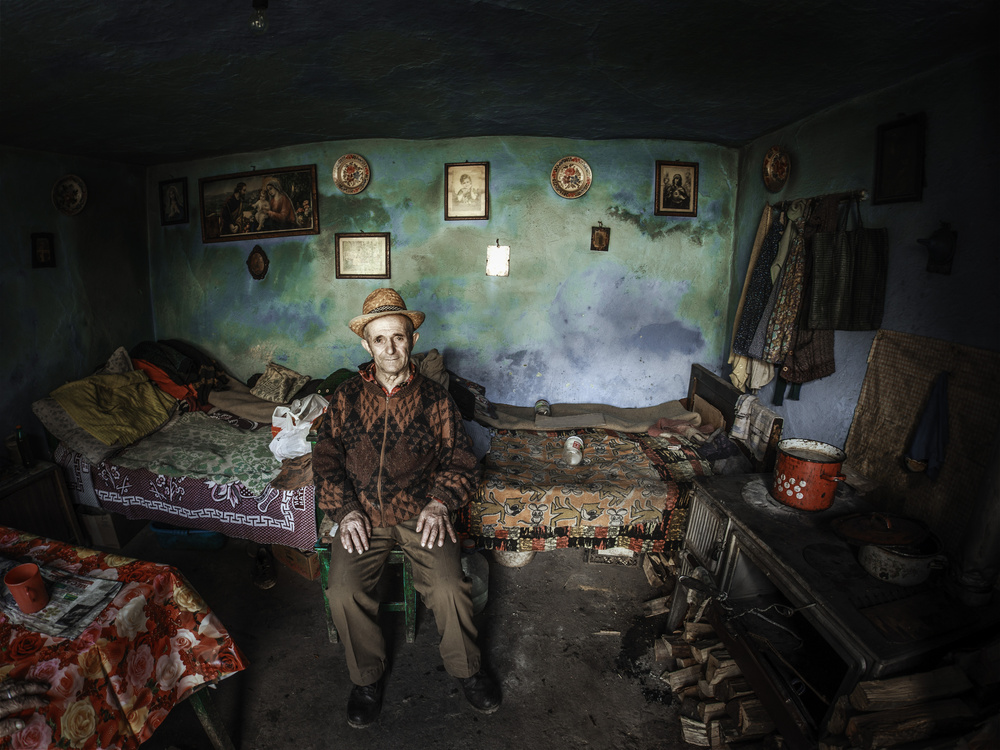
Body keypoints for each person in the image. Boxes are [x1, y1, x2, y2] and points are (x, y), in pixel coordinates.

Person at [312, 288, 501, 729]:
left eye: (398, 337)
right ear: (367, 345)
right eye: (379, 339)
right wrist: (345, 510)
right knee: (342, 591)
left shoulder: (435, 399)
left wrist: (440, 503)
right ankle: (366, 679)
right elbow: (325, 458)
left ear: (412, 340)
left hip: (421, 513)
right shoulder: (345, 396)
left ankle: (467, 670)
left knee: (450, 587)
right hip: (362, 514)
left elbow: (461, 458)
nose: (390, 348)